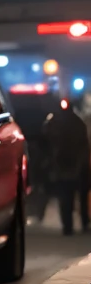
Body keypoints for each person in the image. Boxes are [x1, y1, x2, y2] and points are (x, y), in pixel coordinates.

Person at [43, 98, 90, 236]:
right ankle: (72, 224)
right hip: (64, 165)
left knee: (72, 196)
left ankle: (78, 223)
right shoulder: (62, 122)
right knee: (68, 196)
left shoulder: (72, 122)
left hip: (73, 164)